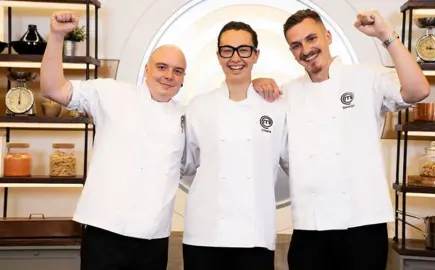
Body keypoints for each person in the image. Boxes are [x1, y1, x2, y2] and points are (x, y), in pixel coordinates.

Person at [252, 9, 430, 270]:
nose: (306, 49)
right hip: (309, 227)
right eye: (296, 45)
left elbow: (418, 90)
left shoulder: (366, 77)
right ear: (292, 52)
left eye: (312, 39)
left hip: (363, 224)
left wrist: (385, 34)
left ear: (328, 36)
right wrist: (254, 85)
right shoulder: (287, 94)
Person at [40, 12, 187, 270]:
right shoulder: (109, 92)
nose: (169, 76)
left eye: (177, 71)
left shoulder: (186, 116)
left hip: (154, 237)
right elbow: (52, 88)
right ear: (147, 69)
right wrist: (56, 36)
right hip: (105, 231)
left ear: (183, 79)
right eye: (162, 67)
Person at [181, 21, 289, 270]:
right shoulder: (199, 106)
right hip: (204, 233)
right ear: (219, 56)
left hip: (255, 234)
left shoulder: (277, 106)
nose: (235, 58)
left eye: (244, 50)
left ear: (256, 55)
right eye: (227, 50)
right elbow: (185, 163)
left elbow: (294, 162)